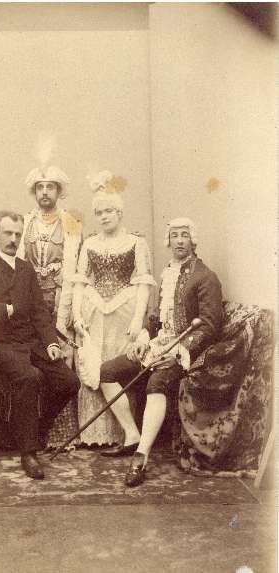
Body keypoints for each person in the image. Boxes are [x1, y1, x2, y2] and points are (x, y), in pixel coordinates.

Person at [98, 217, 223, 486]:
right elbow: (157, 318)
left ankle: (141, 456)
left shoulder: (205, 277)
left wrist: (178, 351)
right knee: (106, 372)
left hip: (186, 353)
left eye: (184, 235)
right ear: (169, 241)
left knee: (156, 383)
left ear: (193, 240)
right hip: (159, 345)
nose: (179, 241)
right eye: (174, 235)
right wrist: (145, 337)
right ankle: (132, 436)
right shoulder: (167, 273)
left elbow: (210, 325)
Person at [0, 211, 80, 479]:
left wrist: (50, 342)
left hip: (29, 341)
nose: (13, 239)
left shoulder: (26, 269)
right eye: (7, 233)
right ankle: (29, 452)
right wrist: (6, 309)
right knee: (29, 377)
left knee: (68, 382)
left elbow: (39, 311)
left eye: (17, 234)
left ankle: (35, 431)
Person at [71, 172, 155, 448]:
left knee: (117, 368)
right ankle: (96, 433)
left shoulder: (135, 242)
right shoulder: (90, 243)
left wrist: (137, 319)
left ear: (119, 212)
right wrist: (77, 315)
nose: (104, 216)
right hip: (94, 311)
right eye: (99, 213)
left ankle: (125, 433)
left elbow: (143, 284)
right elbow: (80, 282)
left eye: (109, 211)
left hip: (124, 311)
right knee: (95, 365)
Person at [17, 165, 83, 447]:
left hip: (59, 300)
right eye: (40, 187)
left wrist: (65, 311)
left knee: (60, 360)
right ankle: (31, 429)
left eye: (50, 187)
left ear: (59, 191)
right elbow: (20, 264)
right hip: (31, 304)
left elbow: (74, 267)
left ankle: (59, 433)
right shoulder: (26, 222)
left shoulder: (71, 222)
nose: (45, 192)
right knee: (36, 363)